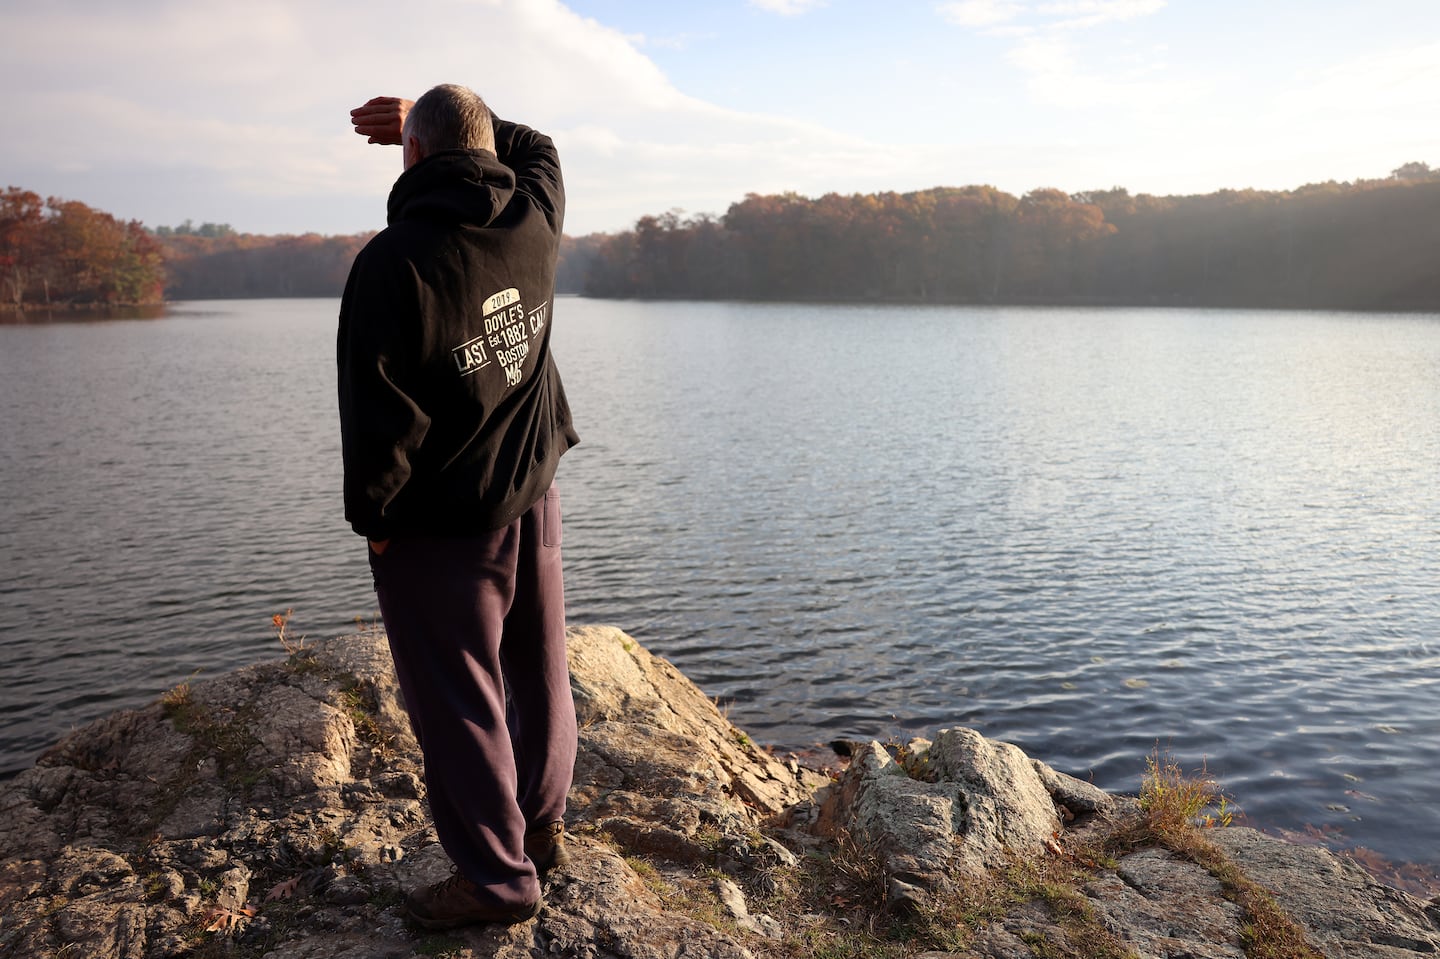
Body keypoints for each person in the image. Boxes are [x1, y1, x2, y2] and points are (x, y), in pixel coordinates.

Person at [337, 85, 580, 930]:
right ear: (485, 150)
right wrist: (445, 117)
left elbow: (379, 422)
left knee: (457, 697)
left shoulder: (391, 262)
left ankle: (496, 881)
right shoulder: (534, 216)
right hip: (532, 493)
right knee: (538, 661)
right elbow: (538, 141)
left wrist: (377, 527)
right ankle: (540, 824)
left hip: (444, 528)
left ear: (412, 157)